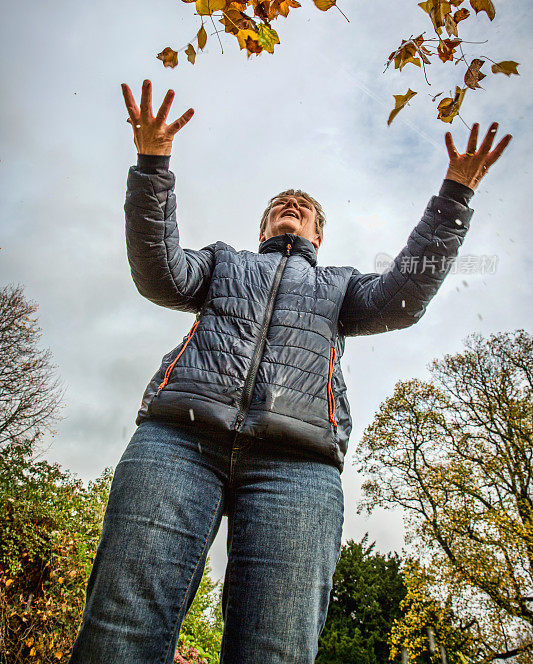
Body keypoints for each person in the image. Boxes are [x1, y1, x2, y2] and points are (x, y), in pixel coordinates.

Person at [69, 79, 512, 664]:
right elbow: (159, 273)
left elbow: (406, 295)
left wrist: (453, 197)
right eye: (282, 204)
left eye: (303, 209)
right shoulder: (224, 262)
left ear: (319, 235)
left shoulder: (341, 285)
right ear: (263, 227)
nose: (292, 208)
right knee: (120, 633)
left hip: (297, 464)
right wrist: (154, 165)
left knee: (275, 651)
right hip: (179, 438)